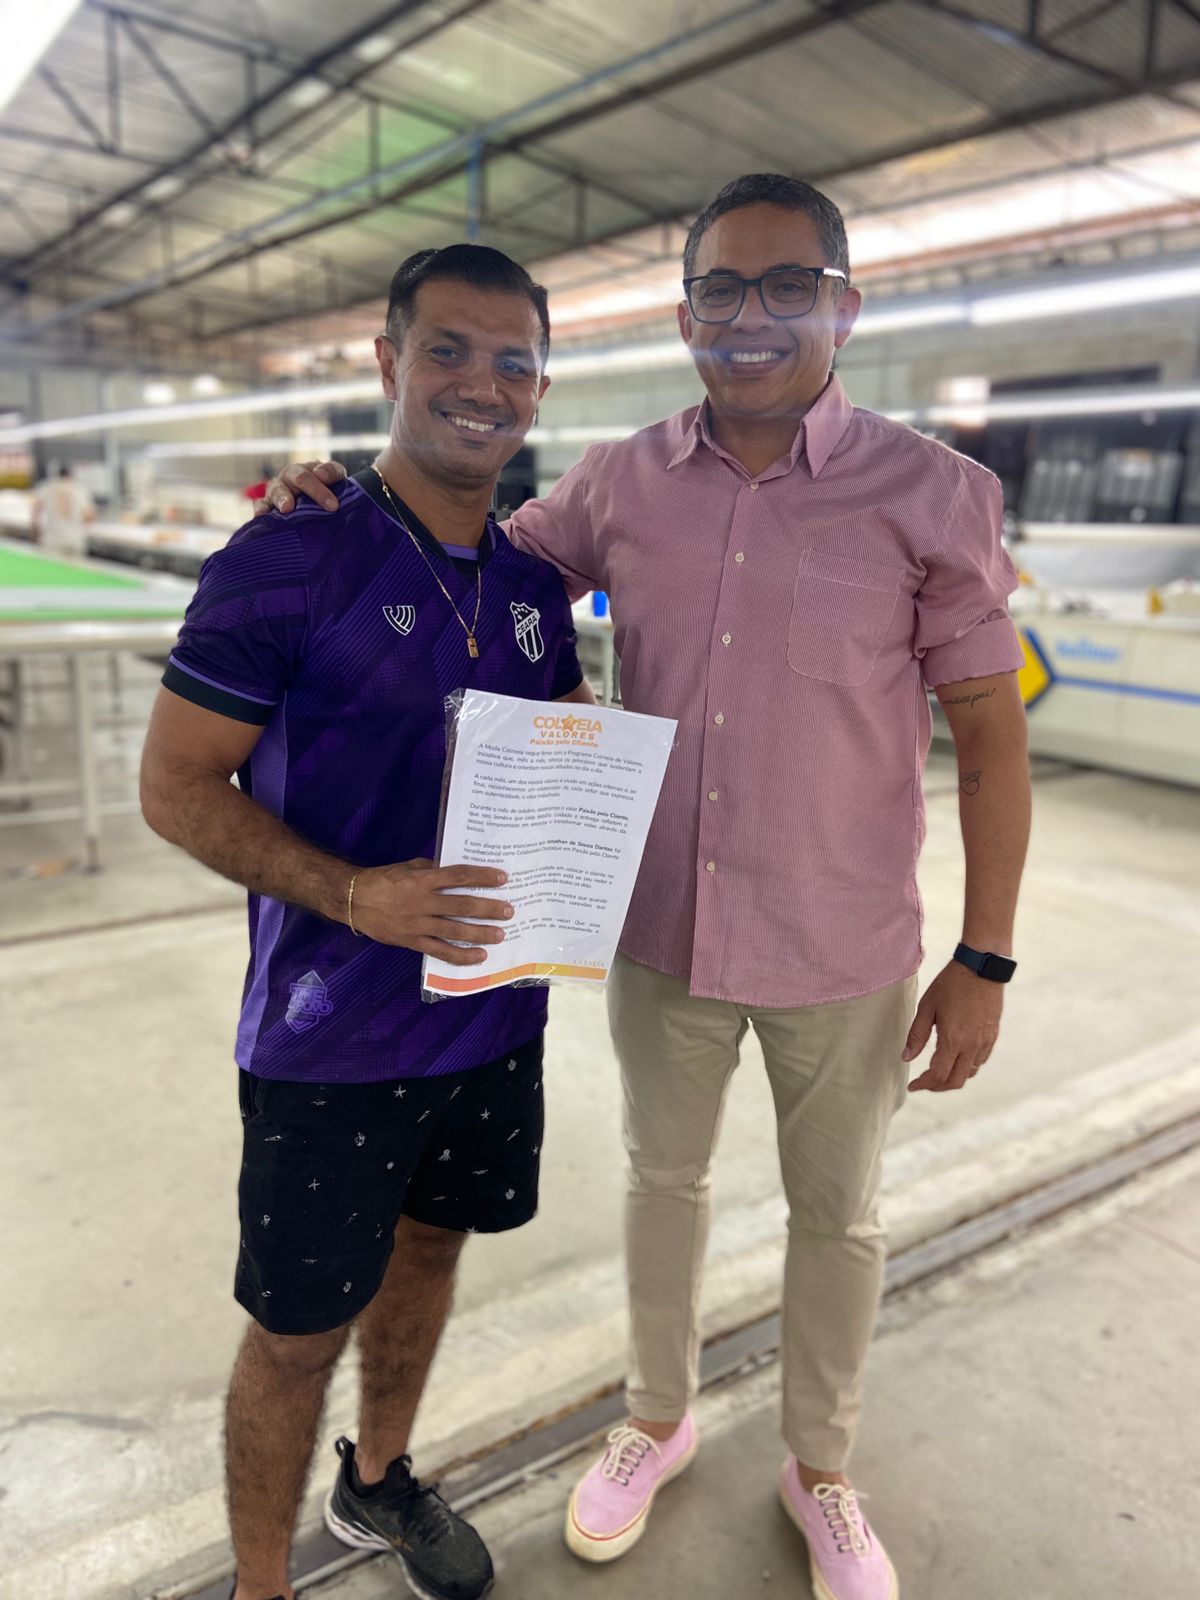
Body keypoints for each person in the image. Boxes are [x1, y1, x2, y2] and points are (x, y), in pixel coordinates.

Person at [261, 174, 1032, 1600]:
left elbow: (991, 738)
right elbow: (469, 563)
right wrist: (342, 501)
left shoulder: (934, 493)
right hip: (663, 930)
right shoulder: (621, 483)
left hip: (845, 942)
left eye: (788, 285)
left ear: (845, 306)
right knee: (661, 1183)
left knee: (839, 1214)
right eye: (720, 288)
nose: (752, 316)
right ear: (685, 316)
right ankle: (656, 1419)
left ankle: (822, 1467)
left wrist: (983, 958)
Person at [140, 244, 594, 1600]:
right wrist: (350, 894)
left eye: (512, 362)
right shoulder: (287, 557)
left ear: (539, 391)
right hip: (326, 1037)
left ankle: (381, 1479)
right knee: (294, 1333)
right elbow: (173, 786)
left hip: (491, 1011)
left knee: (432, 1252)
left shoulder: (532, 588)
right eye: (448, 350)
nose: (481, 384)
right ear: (390, 363)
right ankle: (260, 1583)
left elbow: (555, 756)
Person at [30, 463, 94, 559]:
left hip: (53, 540)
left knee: (53, 567)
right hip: (75, 540)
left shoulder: (47, 487)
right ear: (70, 475)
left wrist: (36, 534)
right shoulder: (80, 489)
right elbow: (89, 516)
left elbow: (35, 513)